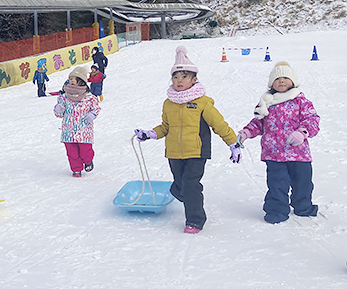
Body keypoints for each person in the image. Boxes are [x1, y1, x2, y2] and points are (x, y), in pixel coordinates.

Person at [134, 46, 240, 234]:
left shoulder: (202, 102)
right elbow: (165, 127)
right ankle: (182, 194)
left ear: (194, 79)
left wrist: (233, 143)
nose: (179, 81)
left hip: (196, 151)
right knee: (180, 186)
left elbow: (219, 124)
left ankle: (195, 220)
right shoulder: (169, 103)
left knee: (191, 185)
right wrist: (149, 134)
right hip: (174, 152)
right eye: (175, 77)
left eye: (184, 76)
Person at [238, 62, 320, 224]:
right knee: (277, 184)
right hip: (274, 154)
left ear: (293, 82)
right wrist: (246, 132)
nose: (281, 81)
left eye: (285, 78)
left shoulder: (301, 101)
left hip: (299, 153)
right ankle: (277, 210)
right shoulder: (266, 103)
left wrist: (302, 133)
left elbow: (312, 120)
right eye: (277, 79)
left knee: (302, 182)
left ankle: (303, 206)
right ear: (271, 84)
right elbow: (258, 123)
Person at [53, 65, 101, 177]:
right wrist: (58, 109)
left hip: (84, 130)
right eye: (70, 79)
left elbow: (96, 108)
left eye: (73, 79)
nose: (71, 81)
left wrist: (92, 114)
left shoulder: (89, 97)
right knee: (72, 153)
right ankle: (76, 169)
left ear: (80, 81)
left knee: (85, 152)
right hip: (68, 131)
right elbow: (59, 114)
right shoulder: (64, 97)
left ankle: (88, 161)